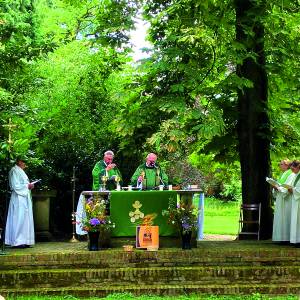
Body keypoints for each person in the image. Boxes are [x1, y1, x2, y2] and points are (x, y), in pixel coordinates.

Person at [5, 158, 35, 248]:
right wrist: (27, 186)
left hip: (24, 197)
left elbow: (24, 184)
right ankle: (17, 241)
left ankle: (25, 240)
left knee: (25, 218)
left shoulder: (21, 171)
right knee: (18, 218)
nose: (25, 164)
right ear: (19, 162)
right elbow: (15, 185)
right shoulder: (14, 170)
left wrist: (30, 186)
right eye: (24, 162)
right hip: (18, 198)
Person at [272, 159, 294, 243]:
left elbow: (288, 186)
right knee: (280, 218)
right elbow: (279, 184)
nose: (279, 166)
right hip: (280, 198)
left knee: (285, 218)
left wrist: (278, 188)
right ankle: (280, 238)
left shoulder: (290, 174)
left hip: (286, 200)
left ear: (286, 165)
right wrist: (275, 187)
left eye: (281, 164)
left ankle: (285, 238)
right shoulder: (282, 174)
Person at [288, 160, 300, 246]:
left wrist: (293, 190)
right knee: (295, 221)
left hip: (298, 200)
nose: (292, 171)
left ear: (298, 167)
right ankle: (295, 240)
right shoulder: (296, 176)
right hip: (295, 201)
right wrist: (290, 189)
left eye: (293, 169)